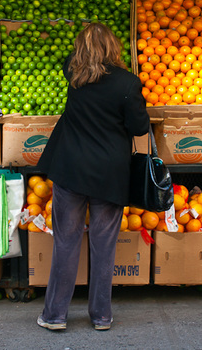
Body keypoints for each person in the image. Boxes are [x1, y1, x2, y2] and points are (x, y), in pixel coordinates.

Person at [36, 22, 150, 331]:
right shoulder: (128, 83)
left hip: (70, 169)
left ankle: (55, 316)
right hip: (108, 174)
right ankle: (101, 316)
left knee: (66, 243)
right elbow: (139, 128)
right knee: (104, 246)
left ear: (80, 49)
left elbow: (73, 60)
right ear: (114, 47)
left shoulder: (74, 74)